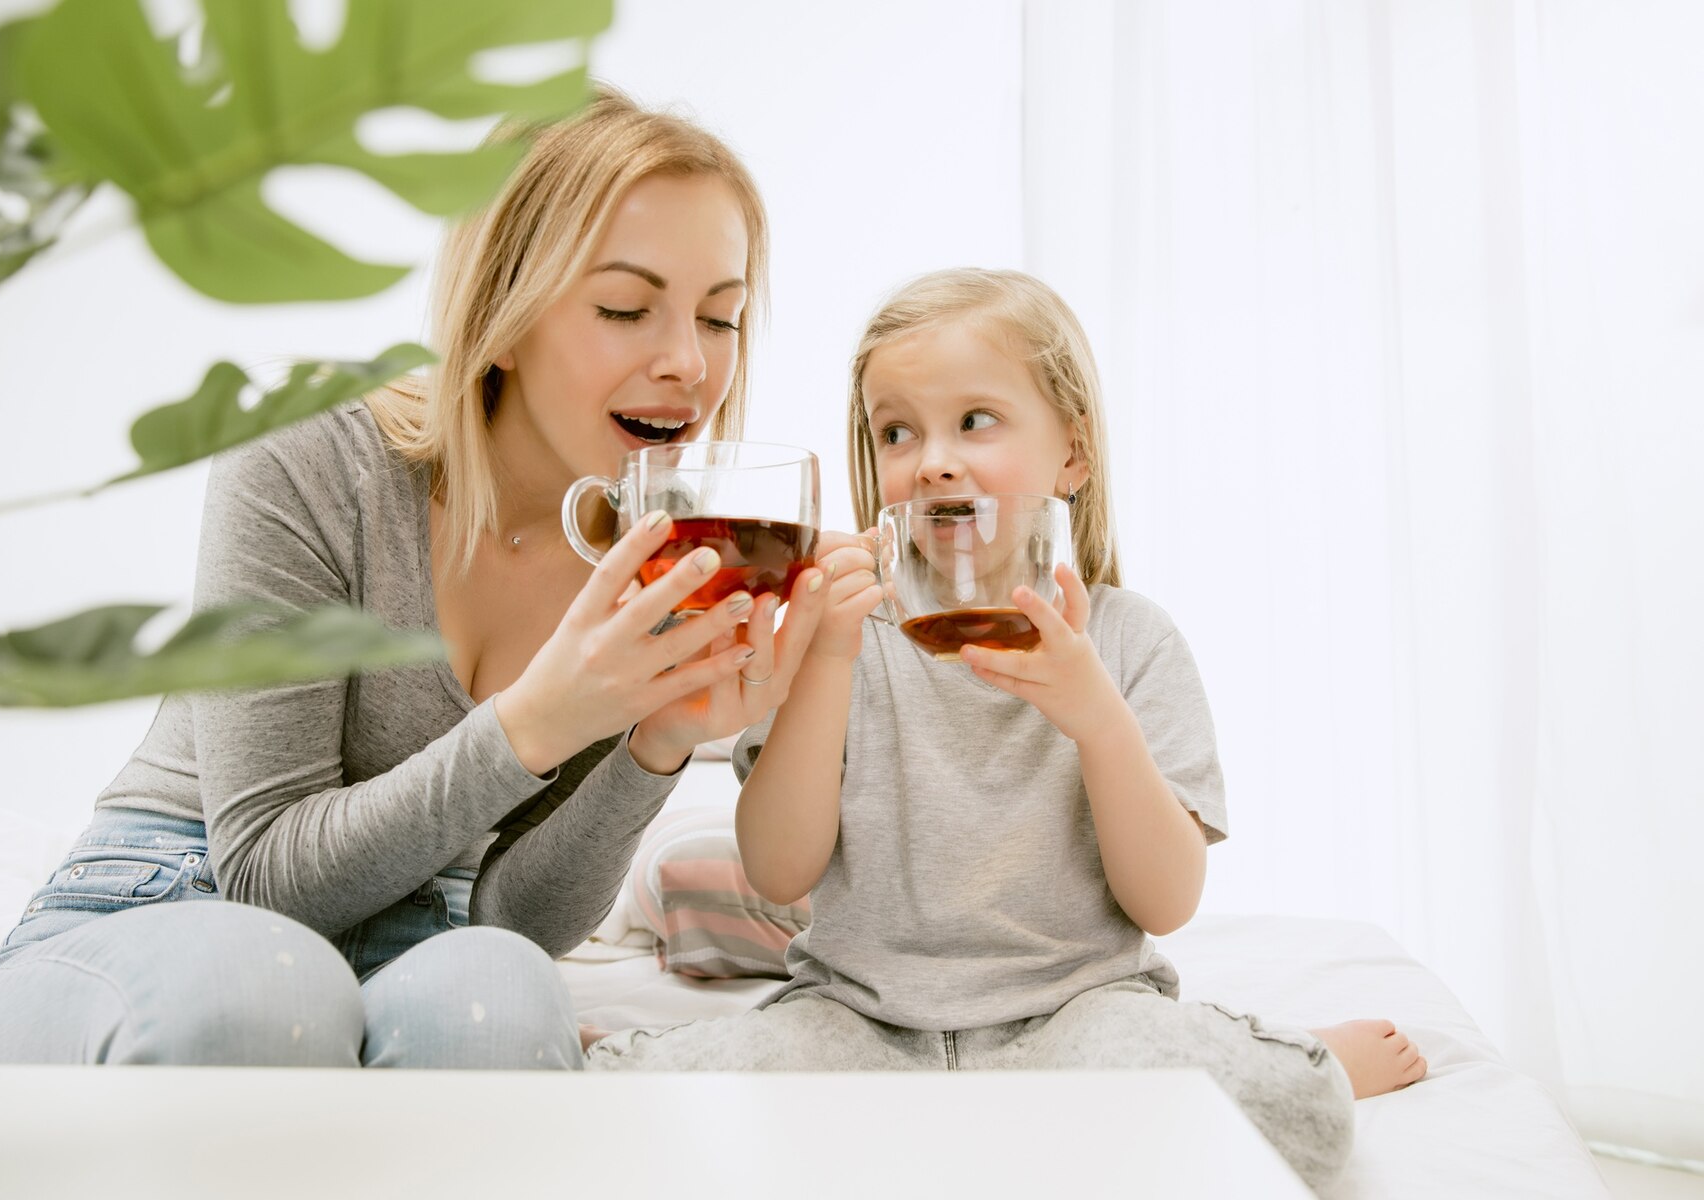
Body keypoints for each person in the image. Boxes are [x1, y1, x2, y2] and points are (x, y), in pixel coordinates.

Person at [0, 87, 835, 1069]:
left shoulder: (643, 559)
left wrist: (655, 741)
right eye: (627, 307)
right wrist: (537, 719)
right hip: (168, 903)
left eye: (722, 318)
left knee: (501, 997)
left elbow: (512, 916)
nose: (687, 363)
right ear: (502, 312)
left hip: (414, 941)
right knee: (266, 988)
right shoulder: (310, 460)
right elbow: (263, 882)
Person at [587, 269, 1427, 1192]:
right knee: (632, 1112)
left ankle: (1305, 1057)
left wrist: (1095, 716)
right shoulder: (839, 639)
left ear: (1072, 452)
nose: (933, 459)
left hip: (1076, 1021)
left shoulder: (1132, 641)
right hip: (858, 1023)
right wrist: (824, 660)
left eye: (975, 421)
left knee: (1293, 1114)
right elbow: (780, 871)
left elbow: (1166, 902)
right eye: (896, 431)